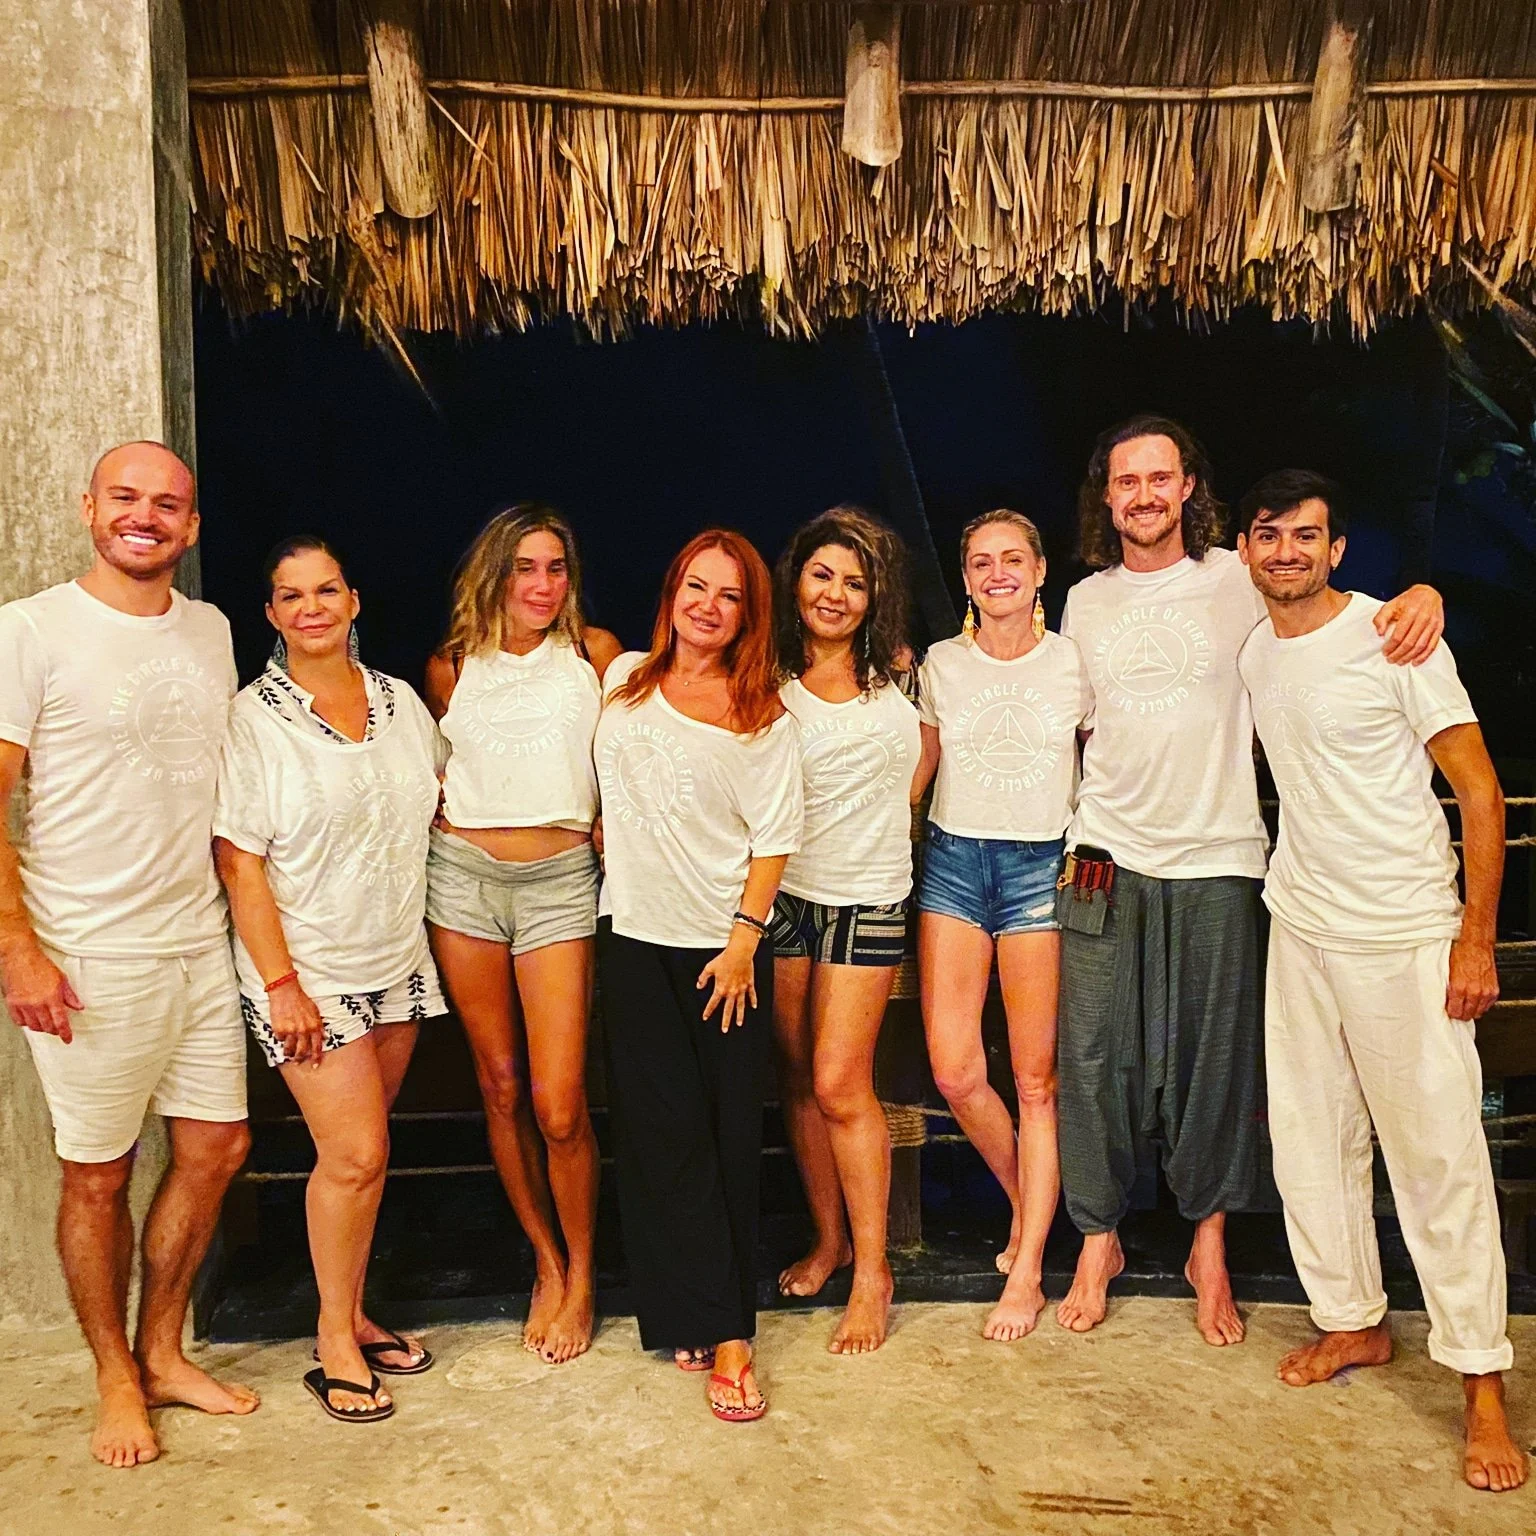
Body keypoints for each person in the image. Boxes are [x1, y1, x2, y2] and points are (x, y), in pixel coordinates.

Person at [1054, 415, 1446, 1346]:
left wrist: (1423, 590)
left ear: (1189, 486)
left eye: (1160, 477)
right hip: (1101, 856)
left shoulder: (1238, 577)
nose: (1143, 495)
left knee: (1212, 1065)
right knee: (1093, 1057)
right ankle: (1098, 1238)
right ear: (1106, 498)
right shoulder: (1082, 601)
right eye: (1126, 482)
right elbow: (1065, 723)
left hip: (1222, 856)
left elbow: (1344, 615)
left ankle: (1209, 1245)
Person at [1234, 470, 1527, 1493]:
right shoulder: (1255, 644)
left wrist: (1475, 941)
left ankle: (1482, 1380)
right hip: (1301, 923)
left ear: (1338, 549)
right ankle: (1352, 1321)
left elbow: (1480, 793)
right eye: (1267, 535)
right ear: (1245, 550)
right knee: (1313, 1141)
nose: (1285, 553)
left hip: (1405, 933)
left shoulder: (1398, 637)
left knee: (1439, 1157)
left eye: (1305, 537)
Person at [0, 442, 255, 1468]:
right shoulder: (29, 631)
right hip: (86, 955)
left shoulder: (212, 629)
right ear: (89, 508)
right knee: (97, 1177)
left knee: (215, 1150)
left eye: (169, 504)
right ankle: (113, 1374)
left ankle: (161, 1350)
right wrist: (16, 945)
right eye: (126, 498)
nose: (145, 517)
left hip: (199, 941)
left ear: (190, 527)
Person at [214, 537, 446, 1423]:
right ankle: (335, 1342)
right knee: (355, 1155)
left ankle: (349, 1310)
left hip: (394, 960)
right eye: (289, 595)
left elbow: (441, 806)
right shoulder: (253, 717)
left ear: (354, 601)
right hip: (306, 972)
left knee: (362, 1160)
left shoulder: (398, 702)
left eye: (326, 590)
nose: (310, 607)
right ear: (270, 615)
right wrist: (281, 985)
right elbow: (240, 862)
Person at [594, 529, 802, 1421]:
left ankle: (732, 1335)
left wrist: (745, 941)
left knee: (721, 1137)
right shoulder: (623, 679)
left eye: (729, 596)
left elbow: (776, 839)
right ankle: (683, 1306)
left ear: (749, 614)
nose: (708, 607)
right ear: (673, 588)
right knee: (656, 1135)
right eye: (696, 586)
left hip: (721, 952)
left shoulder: (762, 712)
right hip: (632, 936)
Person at [423, 506, 622, 1365]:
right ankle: (545, 1259)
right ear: (493, 574)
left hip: (559, 884)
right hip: (461, 880)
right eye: (524, 569)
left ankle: (584, 1274)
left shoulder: (596, 656)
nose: (542, 586)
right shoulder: (450, 666)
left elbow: (649, 740)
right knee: (500, 1086)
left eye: (556, 568)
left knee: (560, 1101)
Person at [914, 510, 1092, 1341]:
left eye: (1012, 558)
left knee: (1035, 1081)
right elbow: (916, 774)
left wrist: (1091, 875)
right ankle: (1036, 1212)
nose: (997, 573)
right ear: (966, 577)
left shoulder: (1072, 665)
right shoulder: (941, 666)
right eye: (980, 561)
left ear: (1040, 569)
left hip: (1040, 871)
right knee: (955, 1070)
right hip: (952, 865)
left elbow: (1105, 777)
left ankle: (1026, 1269)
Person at [770, 507, 920, 1354]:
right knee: (794, 1078)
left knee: (839, 1082)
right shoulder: (765, 672)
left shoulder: (901, 674)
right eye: (823, 575)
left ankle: (874, 1269)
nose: (836, 594)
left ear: (876, 599)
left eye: (855, 583)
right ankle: (828, 1240)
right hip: (787, 895)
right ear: (797, 580)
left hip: (868, 896)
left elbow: (926, 763)